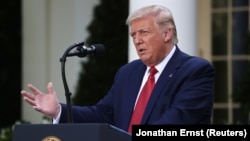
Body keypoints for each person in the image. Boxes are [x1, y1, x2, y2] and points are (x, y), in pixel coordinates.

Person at [21, 5, 215, 134]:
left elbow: (177, 122)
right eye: (133, 35)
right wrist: (59, 111)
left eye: (144, 32)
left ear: (167, 34)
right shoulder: (128, 73)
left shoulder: (195, 71)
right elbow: (103, 114)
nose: (137, 40)